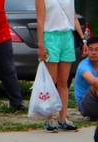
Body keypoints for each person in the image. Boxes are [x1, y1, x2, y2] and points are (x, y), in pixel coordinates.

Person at [36, 0, 87, 133]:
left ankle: (63, 118)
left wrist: (83, 40)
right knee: (51, 81)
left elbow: (73, 17)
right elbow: (40, 21)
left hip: (67, 37)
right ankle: (49, 118)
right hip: (50, 37)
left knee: (63, 81)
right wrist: (41, 45)